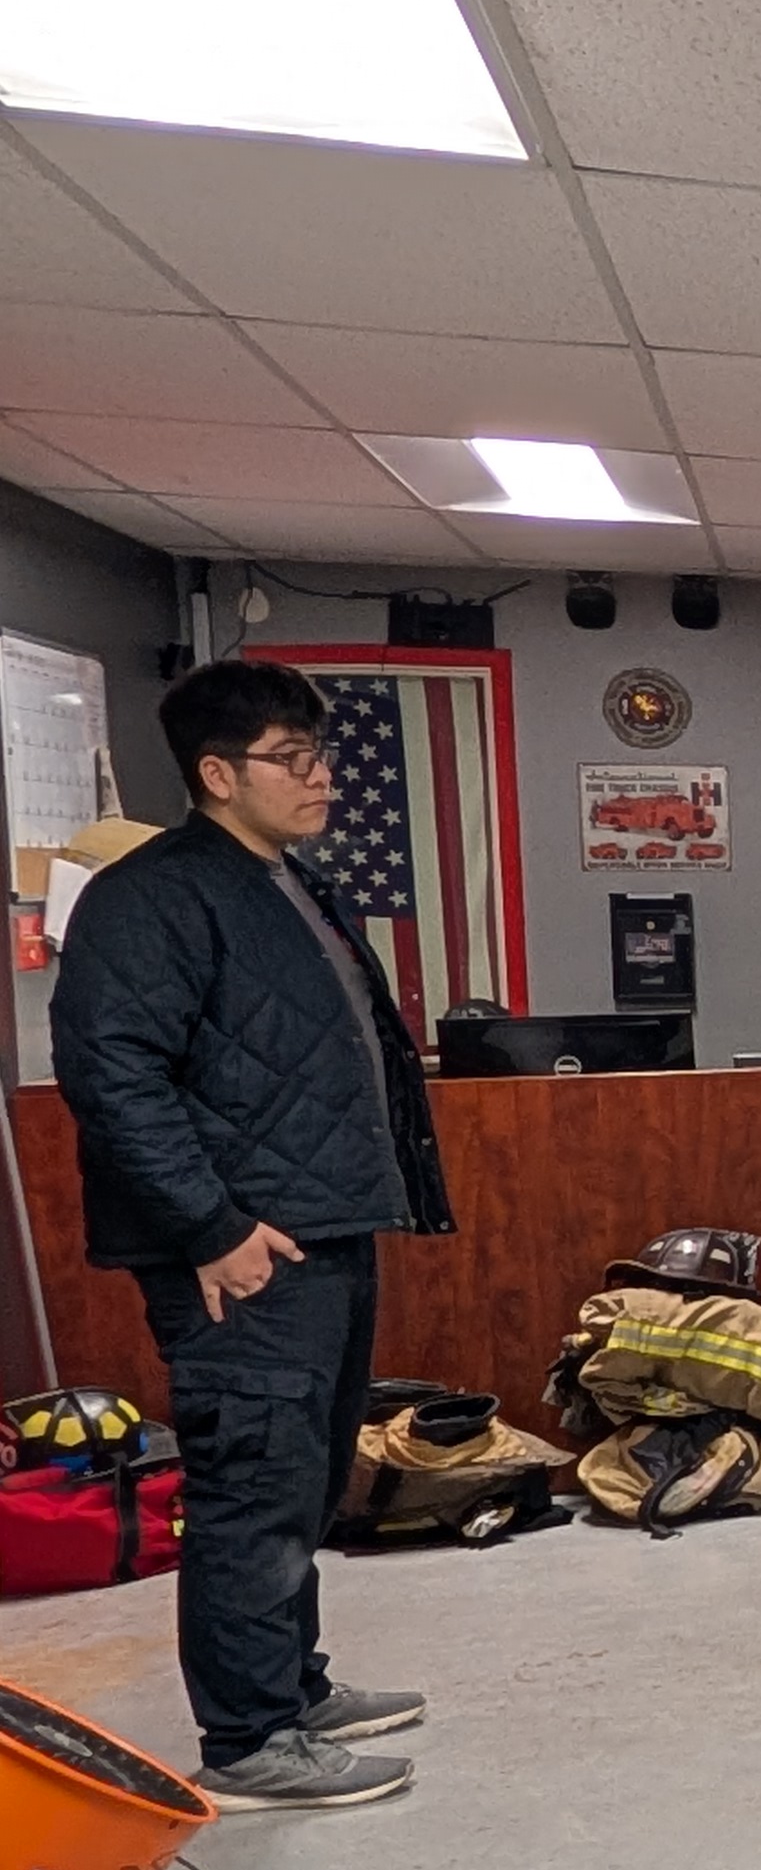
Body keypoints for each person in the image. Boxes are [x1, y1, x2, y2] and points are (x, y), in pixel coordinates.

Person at [52, 659, 453, 1808]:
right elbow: (113, 1076)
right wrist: (211, 1225)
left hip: (320, 1225)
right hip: (239, 1249)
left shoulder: (283, 881)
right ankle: (248, 1738)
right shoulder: (153, 898)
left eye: (320, 755)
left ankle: (293, 1685)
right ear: (218, 774)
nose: (321, 777)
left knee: (306, 1474)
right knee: (253, 1483)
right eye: (293, 758)